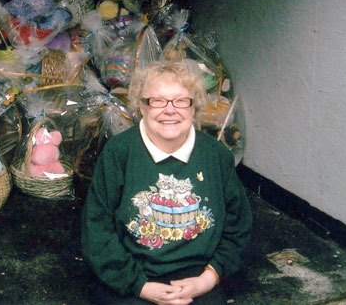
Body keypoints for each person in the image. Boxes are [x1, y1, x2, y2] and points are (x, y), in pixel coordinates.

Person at [81, 60, 253, 305]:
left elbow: (238, 227)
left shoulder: (217, 156)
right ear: (142, 106)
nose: (170, 110)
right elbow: (97, 230)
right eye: (157, 101)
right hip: (132, 277)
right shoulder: (118, 152)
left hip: (197, 278)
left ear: (195, 107)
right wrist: (138, 285)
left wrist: (208, 278)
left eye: (181, 100)